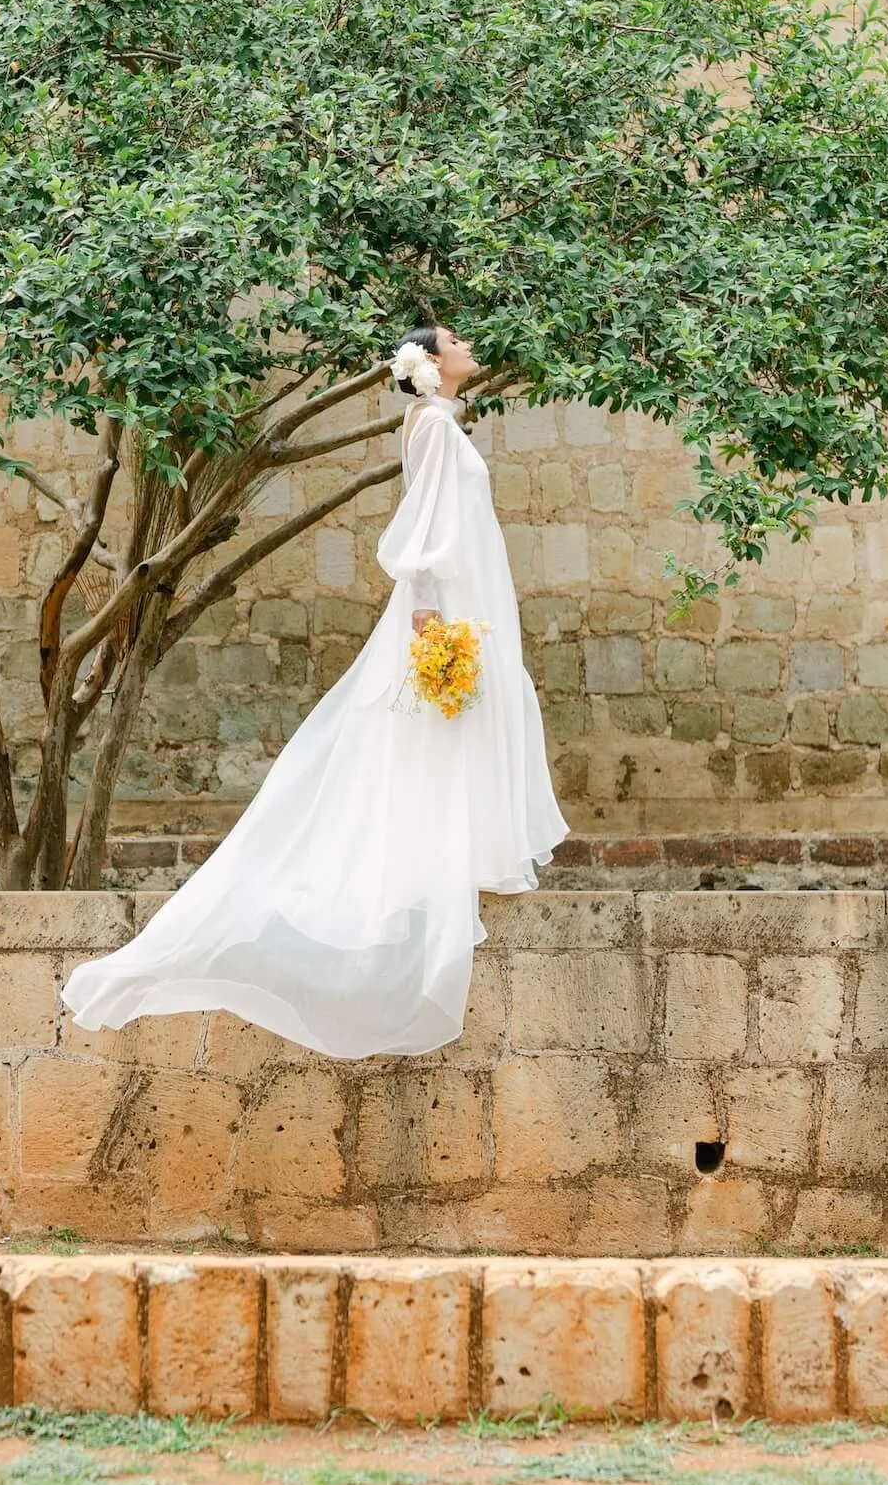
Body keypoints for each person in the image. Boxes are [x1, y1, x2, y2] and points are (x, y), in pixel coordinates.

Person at [58, 328, 566, 1057]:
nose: (469, 345)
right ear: (429, 366)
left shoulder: (443, 424)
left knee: (457, 721)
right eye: (455, 342)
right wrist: (428, 619)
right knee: (432, 724)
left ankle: (465, 856)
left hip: (467, 598)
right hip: (443, 605)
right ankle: (426, 868)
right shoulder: (432, 427)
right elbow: (424, 527)